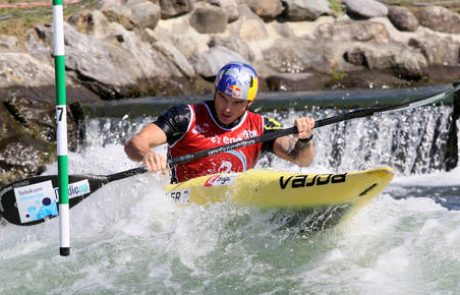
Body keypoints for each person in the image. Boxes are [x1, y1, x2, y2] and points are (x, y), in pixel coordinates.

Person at [125, 61, 315, 183]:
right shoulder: (185, 117)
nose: (227, 108)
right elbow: (134, 144)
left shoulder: (261, 126)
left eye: (237, 103)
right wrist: (147, 153)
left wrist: (305, 140)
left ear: (250, 102)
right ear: (215, 91)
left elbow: (302, 160)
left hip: (232, 207)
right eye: (223, 98)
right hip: (183, 205)